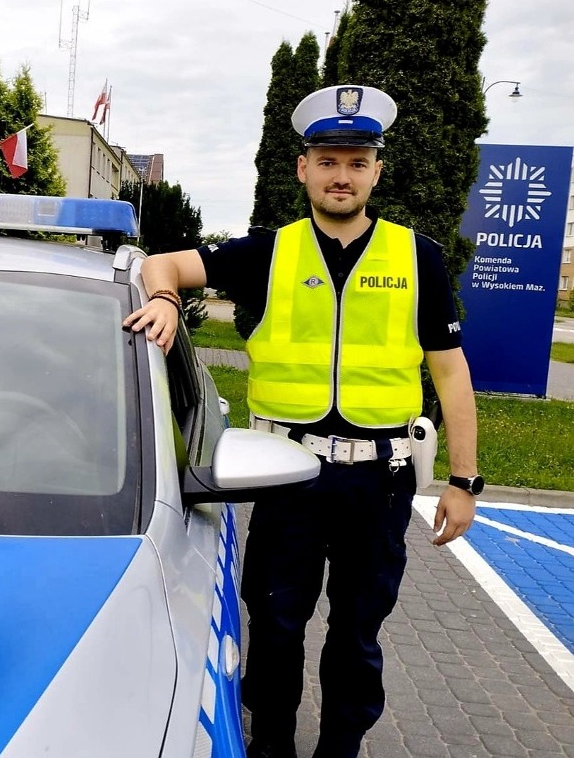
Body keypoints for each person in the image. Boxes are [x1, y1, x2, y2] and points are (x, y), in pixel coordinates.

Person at [123, 84, 480, 758]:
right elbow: (160, 263)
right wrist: (166, 298)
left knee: (357, 630)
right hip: (287, 477)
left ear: (376, 170)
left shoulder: (418, 258)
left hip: (381, 480)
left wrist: (465, 480)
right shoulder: (268, 251)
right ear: (303, 169)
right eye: (327, 160)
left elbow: (452, 373)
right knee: (278, 623)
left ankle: (340, 747)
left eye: (356, 161)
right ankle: (273, 744)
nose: (341, 174)